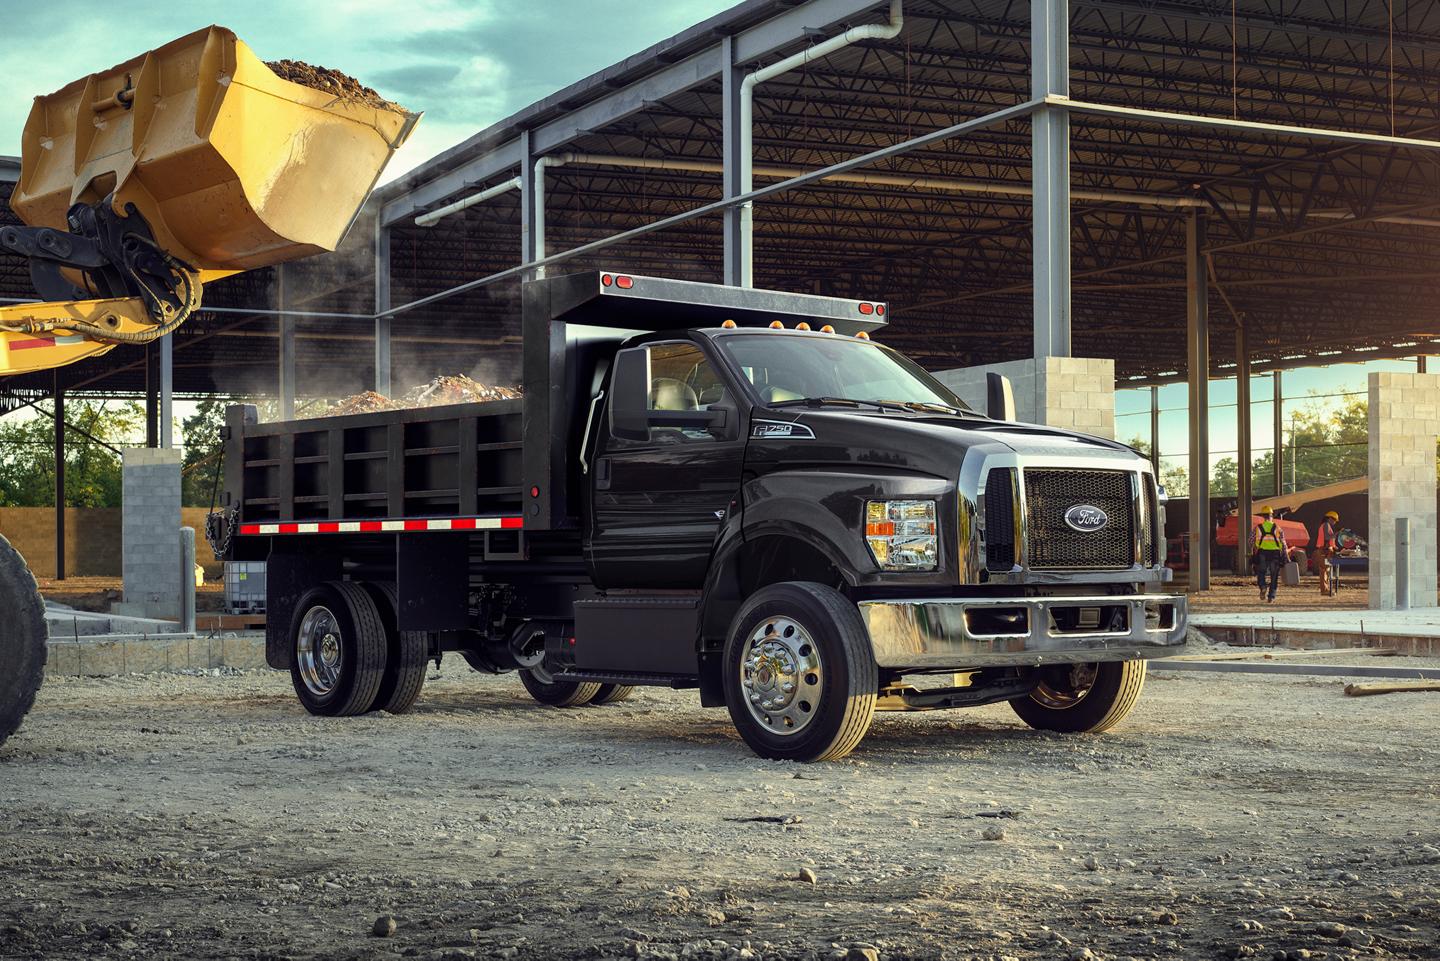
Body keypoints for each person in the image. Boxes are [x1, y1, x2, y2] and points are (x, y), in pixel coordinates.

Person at [1251, 505, 1289, 603]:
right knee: (1274, 575)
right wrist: (1286, 556)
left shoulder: (1258, 528)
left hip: (1262, 553)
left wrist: (1255, 547)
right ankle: (1271, 596)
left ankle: (1263, 586)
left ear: (1263, 516)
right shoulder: (1278, 528)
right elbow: (1283, 543)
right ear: (1271, 515)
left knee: (1261, 572)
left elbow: (1250, 541)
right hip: (1275, 554)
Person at [1315, 509, 1340, 596]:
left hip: (1326, 550)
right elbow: (1327, 537)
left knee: (1326, 570)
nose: (1335, 522)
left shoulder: (1327, 526)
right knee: (1324, 570)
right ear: (1329, 518)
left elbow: (1329, 540)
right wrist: (1337, 533)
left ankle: (1326, 589)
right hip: (1323, 551)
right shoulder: (1325, 525)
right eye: (1334, 520)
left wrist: (1334, 547)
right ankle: (1324, 590)